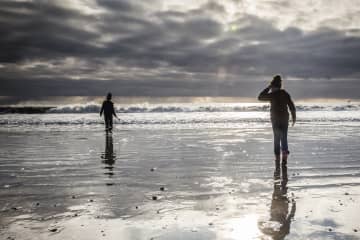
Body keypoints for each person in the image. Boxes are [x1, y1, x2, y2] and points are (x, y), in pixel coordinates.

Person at [258, 75, 296, 168]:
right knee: (284, 138)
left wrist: (268, 88)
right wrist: (294, 117)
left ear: (273, 86)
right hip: (284, 119)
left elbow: (260, 97)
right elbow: (291, 106)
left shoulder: (272, 95)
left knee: (277, 138)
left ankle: (277, 159)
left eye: (272, 87)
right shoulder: (284, 93)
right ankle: (284, 159)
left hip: (275, 119)